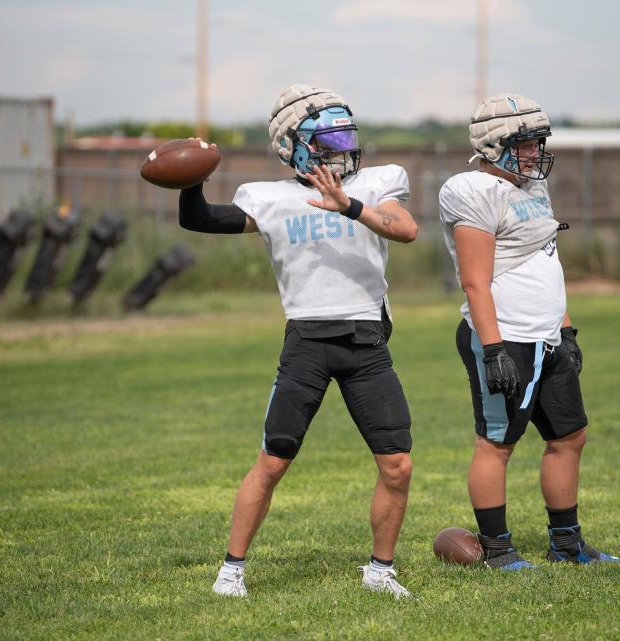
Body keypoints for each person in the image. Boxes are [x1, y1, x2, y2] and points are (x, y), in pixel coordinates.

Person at [177, 84, 418, 598]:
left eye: (345, 134)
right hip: (307, 341)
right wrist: (192, 179)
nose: (342, 147)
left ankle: (380, 570)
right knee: (273, 460)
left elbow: (405, 229)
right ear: (295, 146)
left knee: (397, 463)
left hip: (366, 341)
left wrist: (348, 206)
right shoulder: (270, 197)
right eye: (328, 138)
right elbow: (198, 219)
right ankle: (231, 571)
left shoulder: (376, 184)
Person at [438, 94, 620, 569]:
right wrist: (494, 347)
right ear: (493, 143)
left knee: (570, 435)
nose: (535, 150)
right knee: (497, 443)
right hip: (505, 337)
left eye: (538, 140)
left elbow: (548, 259)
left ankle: (566, 544)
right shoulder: (472, 190)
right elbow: (475, 280)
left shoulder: (533, 187)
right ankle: (498, 549)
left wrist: (566, 329)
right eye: (525, 142)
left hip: (546, 334)